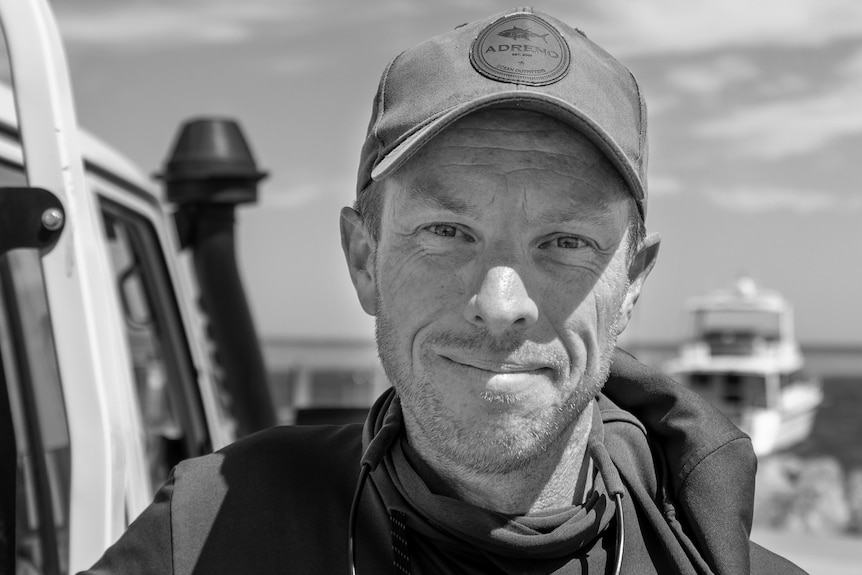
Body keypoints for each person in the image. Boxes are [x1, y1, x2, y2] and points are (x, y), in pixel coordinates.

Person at [82, 8, 805, 575]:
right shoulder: (211, 532)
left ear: (631, 287)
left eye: (566, 241)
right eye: (447, 230)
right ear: (364, 260)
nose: (501, 301)